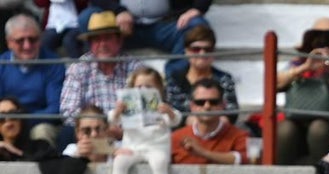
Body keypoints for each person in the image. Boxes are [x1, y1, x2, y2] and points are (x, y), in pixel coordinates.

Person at [276, 19, 329, 165]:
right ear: (311, 43)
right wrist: (304, 68)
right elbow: (274, 84)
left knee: (318, 129)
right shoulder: (298, 64)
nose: (324, 46)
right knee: (285, 129)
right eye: (319, 41)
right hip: (296, 119)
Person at [107, 66, 178, 174]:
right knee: (119, 162)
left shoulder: (162, 108)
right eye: (139, 87)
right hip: (132, 148)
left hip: (156, 148)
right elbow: (112, 120)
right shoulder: (126, 107)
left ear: (159, 89)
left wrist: (169, 112)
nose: (143, 90)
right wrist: (118, 111)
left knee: (159, 163)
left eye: (149, 87)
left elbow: (175, 120)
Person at [58, 12, 143, 140]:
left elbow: (145, 110)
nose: (102, 44)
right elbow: (68, 111)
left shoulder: (136, 68)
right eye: (97, 39)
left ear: (119, 41)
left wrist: (124, 130)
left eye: (108, 38)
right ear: (91, 45)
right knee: (66, 133)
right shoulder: (78, 68)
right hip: (89, 135)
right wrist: (98, 128)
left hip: (127, 135)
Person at [0, 13, 65, 146]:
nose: (27, 46)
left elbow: (54, 109)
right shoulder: (2, 65)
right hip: (6, 120)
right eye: (20, 41)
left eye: (33, 39)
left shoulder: (53, 63)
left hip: (39, 123)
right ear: (9, 42)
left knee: (42, 132)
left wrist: (22, 121)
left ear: (40, 39)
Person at [75, 0, 211, 56]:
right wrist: (118, 10)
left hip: (166, 24)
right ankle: (100, 74)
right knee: (87, 19)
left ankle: (177, 77)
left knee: (197, 25)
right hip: (120, 28)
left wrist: (197, 8)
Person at [164, 25, 238, 124]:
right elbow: (172, 111)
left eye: (208, 49)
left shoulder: (224, 79)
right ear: (186, 51)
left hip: (218, 130)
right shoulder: (175, 78)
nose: (202, 54)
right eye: (196, 49)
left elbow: (232, 112)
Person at [171, 77, 247, 164]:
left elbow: (243, 160)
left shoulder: (239, 136)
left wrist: (202, 152)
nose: (207, 106)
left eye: (213, 102)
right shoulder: (175, 138)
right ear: (192, 106)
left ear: (223, 105)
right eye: (200, 102)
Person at [0, 96, 56, 161]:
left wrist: (15, 151)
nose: (8, 120)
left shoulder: (41, 147)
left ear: (21, 118)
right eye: (1, 117)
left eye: (13, 114)